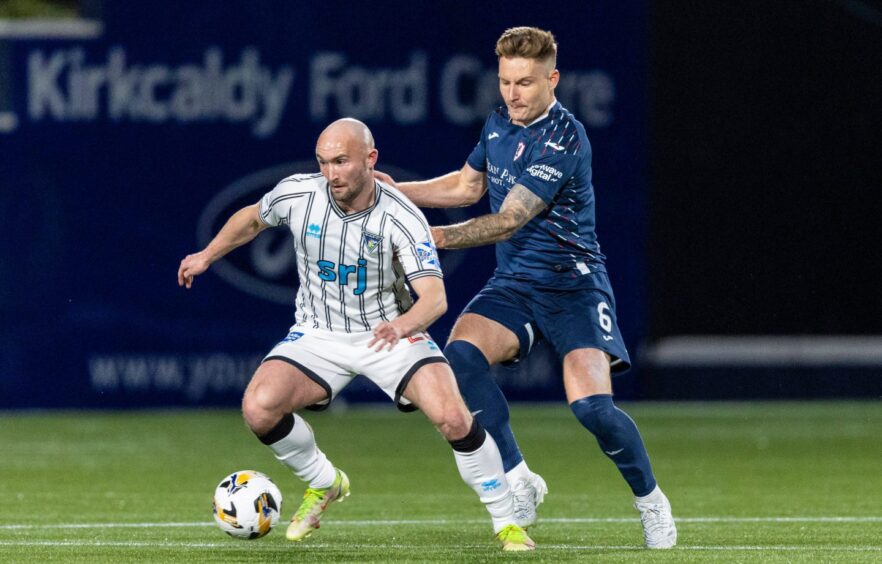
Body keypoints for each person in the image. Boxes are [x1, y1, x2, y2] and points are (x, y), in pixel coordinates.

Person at [376, 27, 677, 549]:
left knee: (593, 411)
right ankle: (519, 480)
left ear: (552, 79)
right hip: (514, 284)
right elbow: (467, 186)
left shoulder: (564, 136)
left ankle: (651, 502)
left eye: (526, 83)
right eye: (505, 81)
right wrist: (399, 194)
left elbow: (509, 219)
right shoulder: (498, 123)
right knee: (461, 359)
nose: (513, 94)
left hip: (573, 287)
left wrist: (431, 237)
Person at [177, 118, 534, 552]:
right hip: (319, 334)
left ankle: (506, 519)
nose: (331, 174)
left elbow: (434, 299)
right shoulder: (299, 194)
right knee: (258, 408)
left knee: (453, 417)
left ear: (371, 159)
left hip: (392, 333)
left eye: (341, 162)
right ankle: (324, 483)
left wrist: (401, 326)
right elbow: (252, 219)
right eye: (324, 162)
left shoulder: (402, 216)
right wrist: (207, 255)